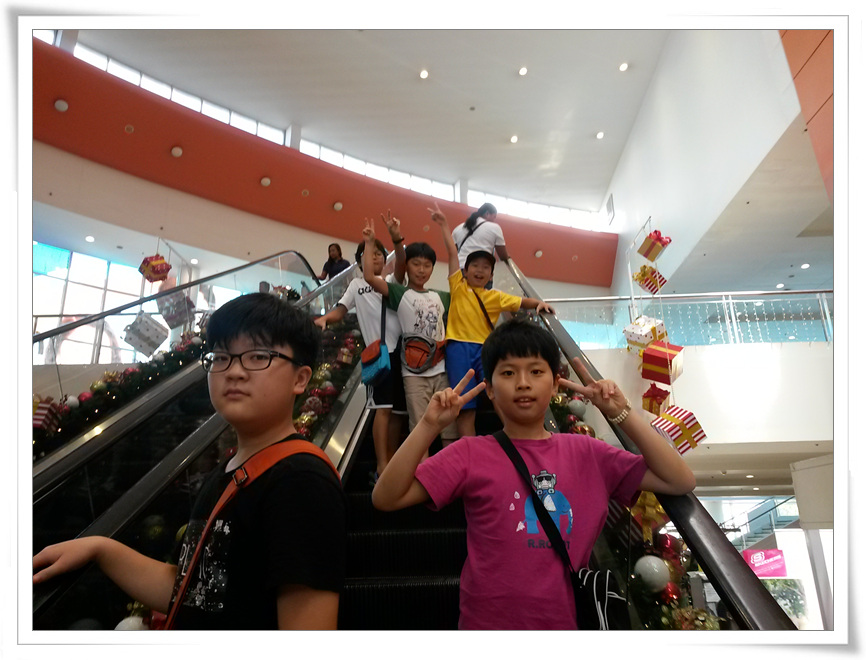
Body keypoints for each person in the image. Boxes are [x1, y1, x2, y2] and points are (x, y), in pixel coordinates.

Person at [33, 293, 348, 630]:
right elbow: (195, 591)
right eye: (221, 357)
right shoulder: (230, 472)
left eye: (258, 356)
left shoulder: (300, 481)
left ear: (300, 379)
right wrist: (102, 549)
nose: (234, 371)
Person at [371, 317, 696, 630]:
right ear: (490, 389)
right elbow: (386, 497)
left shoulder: (589, 454)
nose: (523, 382)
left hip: (565, 629)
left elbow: (679, 479)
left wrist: (620, 413)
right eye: (508, 372)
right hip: (486, 630)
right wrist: (428, 425)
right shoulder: (469, 453)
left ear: (555, 384)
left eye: (536, 371)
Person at [430, 202, 553, 440]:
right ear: (465, 271)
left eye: (485, 267)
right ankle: (472, 451)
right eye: (475, 266)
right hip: (458, 348)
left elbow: (522, 302)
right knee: (465, 407)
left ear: (491, 274)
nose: (479, 270)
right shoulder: (458, 287)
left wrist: (539, 303)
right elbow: (452, 253)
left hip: (486, 350)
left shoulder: (495, 296)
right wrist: (444, 224)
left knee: (500, 396)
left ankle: (519, 439)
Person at [316, 211, 408, 481]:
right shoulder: (357, 285)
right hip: (378, 355)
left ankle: (392, 461)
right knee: (382, 409)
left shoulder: (392, 282)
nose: (375, 257)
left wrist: (396, 240)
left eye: (380, 253)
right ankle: (381, 465)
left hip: (402, 354)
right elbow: (341, 310)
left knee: (398, 412)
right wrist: (325, 319)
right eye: (369, 254)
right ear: (360, 262)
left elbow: (401, 264)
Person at [361, 218, 458, 450]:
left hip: (442, 371)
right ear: (407, 266)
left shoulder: (442, 296)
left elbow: (455, 265)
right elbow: (369, 277)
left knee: (449, 431)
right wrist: (369, 243)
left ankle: (450, 471)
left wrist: (445, 227)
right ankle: (420, 471)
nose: (421, 270)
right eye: (416, 264)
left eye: (427, 265)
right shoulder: (399, 293)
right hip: (413, 375)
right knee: (419, 434)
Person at [451, 203, 509, 275]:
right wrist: (508, 258)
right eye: (494, 217)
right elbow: (503, 255)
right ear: (487, 213)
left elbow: (453, 252)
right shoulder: (495, 227)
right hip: (480, 271)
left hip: (459, 271)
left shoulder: (457, 229)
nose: (494, 220)